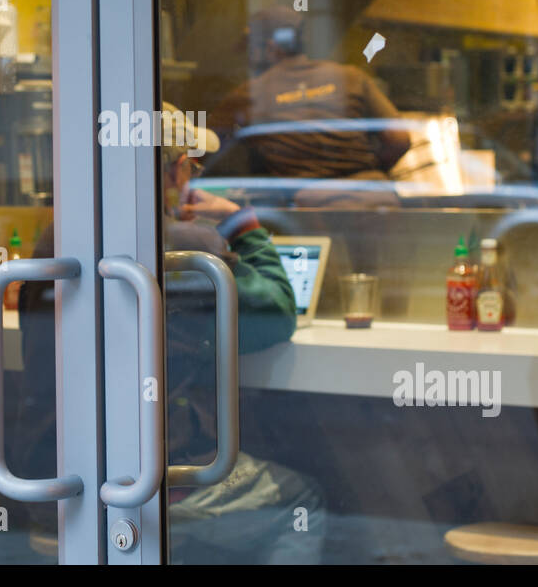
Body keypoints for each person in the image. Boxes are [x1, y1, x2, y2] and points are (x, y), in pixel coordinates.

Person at [16, 106, 327, 563]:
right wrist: (242, 224)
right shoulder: (193, 246)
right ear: (176, 168)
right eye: (191, 167)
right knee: (304, 501)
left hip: (54, 481)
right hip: (152, 490)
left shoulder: (54, 238)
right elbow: (277, 313)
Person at [208, 6, 411, 179]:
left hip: (306, 208)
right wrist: (366, 172)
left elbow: (204, 143)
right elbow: (399, 139)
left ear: (271, 49)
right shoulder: (351, 76)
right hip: (372, 193)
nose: (248, 60)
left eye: (250, 50)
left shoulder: (251, 92)